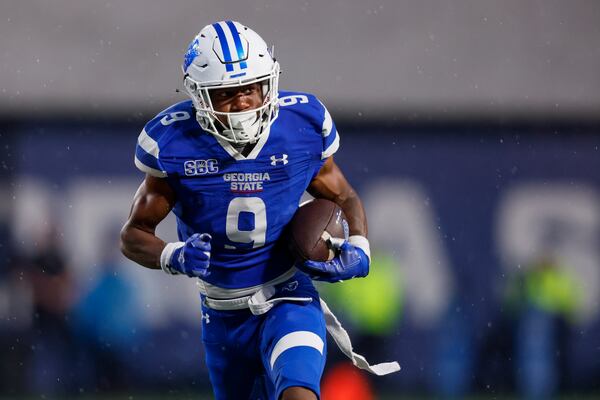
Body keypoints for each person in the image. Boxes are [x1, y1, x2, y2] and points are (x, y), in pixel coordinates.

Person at [120, 20, 398, 400]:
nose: (242, 103)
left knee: (298, 392)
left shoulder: (301, 124)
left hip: (288, 295)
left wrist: (360, 246)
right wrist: (174, 255)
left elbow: (344, 195)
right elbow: (133, 235)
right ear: (200, 97)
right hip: (221, 314)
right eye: (226, 93)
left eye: (250, 88)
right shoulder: (174, 143)